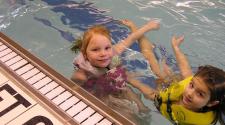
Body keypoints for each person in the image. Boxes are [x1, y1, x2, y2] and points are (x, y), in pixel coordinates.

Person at [122, 20, 225, 125]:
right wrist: (176, 47)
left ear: (211, 103)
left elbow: (153, 95)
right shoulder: (196, 83)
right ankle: (136, 30)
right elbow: (185, 70)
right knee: (150, 57)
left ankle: (128, 77)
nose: (190, 93)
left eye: (200, 94)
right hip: (167, 88)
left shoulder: (198, 122)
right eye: (191, 85)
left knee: (149, 84)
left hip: (159, 97)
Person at [70, 20, 160, 118]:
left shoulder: (113, 52)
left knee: (143, 108)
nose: (103, 54)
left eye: (107, 48)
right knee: (127, 115)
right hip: (104, 96)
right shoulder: (82, 74)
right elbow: (73, 91)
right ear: (85, 54)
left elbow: (131, 38)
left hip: (118, 86)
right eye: (95, 50)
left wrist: (148, 26)